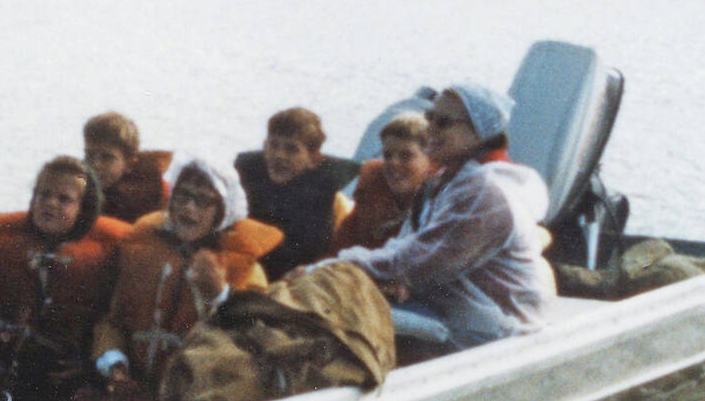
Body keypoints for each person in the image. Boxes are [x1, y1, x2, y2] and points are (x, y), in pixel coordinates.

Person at [331, 83, 553, 354]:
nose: (430, 128)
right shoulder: (448, 181)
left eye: (444, 122)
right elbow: (408, 246)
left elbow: (416, 262)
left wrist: (334, 267)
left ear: (479, 130)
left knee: (335, 314)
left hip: (497, 333)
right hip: (456, 311)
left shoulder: (486, 193)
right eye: (430, 118)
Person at [0, 157, 132, 401]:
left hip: (73, 376)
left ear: (84, 209)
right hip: (12, 372)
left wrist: (88, 369)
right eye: (43, 194)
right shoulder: (6, 248)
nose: (50, 204)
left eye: (64, 199)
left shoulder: (106, 258)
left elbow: (115, 324)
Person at [92, 157, 283, 394]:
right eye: (182, 196)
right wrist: (115, 365)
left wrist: (219, 295)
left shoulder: (247, 270)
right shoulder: (141, 252)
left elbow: (255, 340)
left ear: (222, 211)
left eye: (203, 200)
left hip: (195, 392)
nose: (189, 208)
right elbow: (113, 322)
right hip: (132, 383)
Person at [234, 107, 359, 275]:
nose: (279, 155)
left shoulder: (322, 194)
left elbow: (307, 250)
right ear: (265, 145)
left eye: (291, 149)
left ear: (314, 159)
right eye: (273, 145)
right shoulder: (246, 174)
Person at [331, 112, 439, 252]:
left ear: (430, 159)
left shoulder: (443, 199)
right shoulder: (371, 189)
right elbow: (338, 249)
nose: (393, 163)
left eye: (405, 155)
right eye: (387, 155)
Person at [83, 111, 172, 223]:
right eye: (89, 155)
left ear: (129, 164)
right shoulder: (75, 191)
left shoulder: (156, 196)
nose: (95, 164)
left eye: (107, 157)